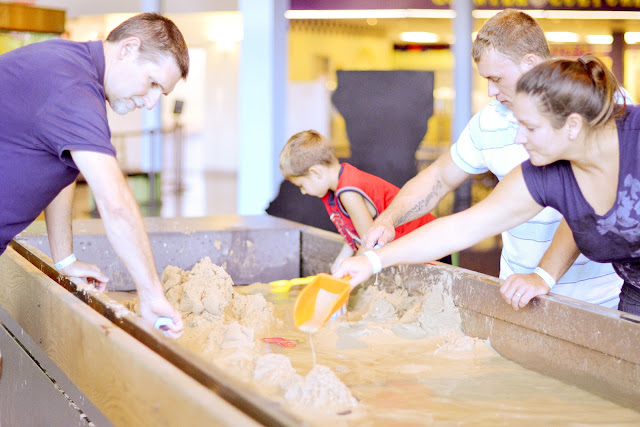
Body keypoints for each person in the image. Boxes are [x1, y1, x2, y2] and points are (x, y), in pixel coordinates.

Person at [335, 54, 640, 317]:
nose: (519, 138)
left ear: (572, 125)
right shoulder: (545, 173)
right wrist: (372, 261)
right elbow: (463, 227)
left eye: (531, 127)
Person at [0, 13, 190, 337]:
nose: (150, 102)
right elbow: (116, 204)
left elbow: (60, 169)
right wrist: (152, 294)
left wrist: (65, 260)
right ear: (128, 49)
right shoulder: (74, 89)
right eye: (152, 83)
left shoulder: (71, 66)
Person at [279, 130, 440, 271]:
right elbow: (355, 234)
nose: (303, 191)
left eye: (301, 185)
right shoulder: (339, 185)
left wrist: (348, 271)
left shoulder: (348, 192)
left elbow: (369, 245)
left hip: (431, 247)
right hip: (417, 249)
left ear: (316, 173)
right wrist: (340, 263)